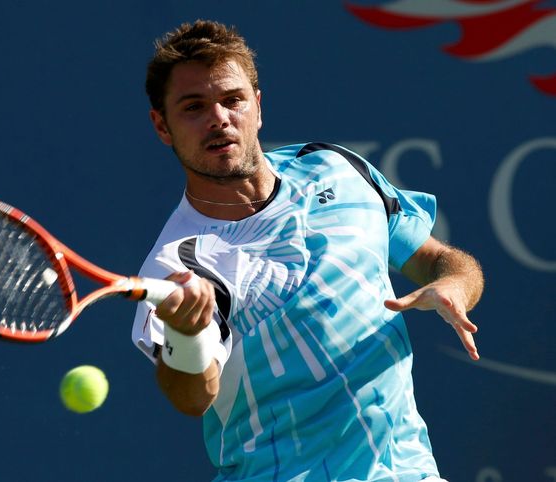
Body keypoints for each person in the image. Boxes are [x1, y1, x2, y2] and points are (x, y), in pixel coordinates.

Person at [131, 19, 484, 482]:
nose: (219, 118)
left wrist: (453, 286)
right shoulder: (179, 263)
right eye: (194, 107)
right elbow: (192, 397)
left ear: (258, 105)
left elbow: (438, 259)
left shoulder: (335, 168)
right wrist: (186, 334)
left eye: (233, 100)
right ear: (162, 126)